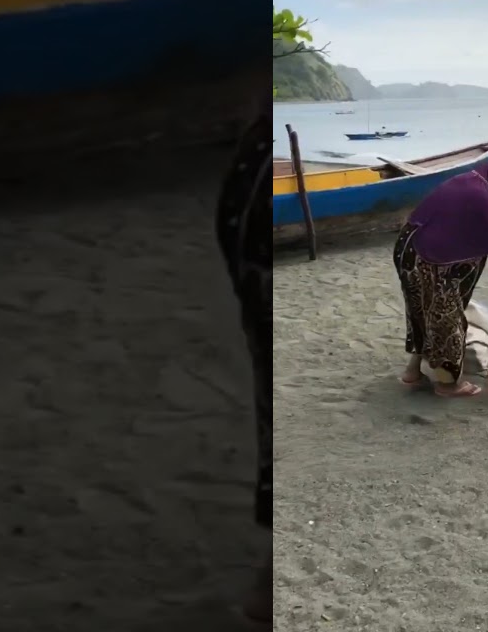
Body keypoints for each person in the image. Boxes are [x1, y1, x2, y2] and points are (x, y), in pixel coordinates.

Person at [395, 160, 488, 397]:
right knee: (447, 320)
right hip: (427, 258)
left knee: (421, 311)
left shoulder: (469, 179)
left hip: (408, 247)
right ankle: (447, 384)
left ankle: (412, 372)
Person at [214, 108, 272, 622]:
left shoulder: (260, 134)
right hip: (259, 281)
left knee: (271, 412)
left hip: (255, 277)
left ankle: (269, 584)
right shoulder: (262, 140)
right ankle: (269, 587)